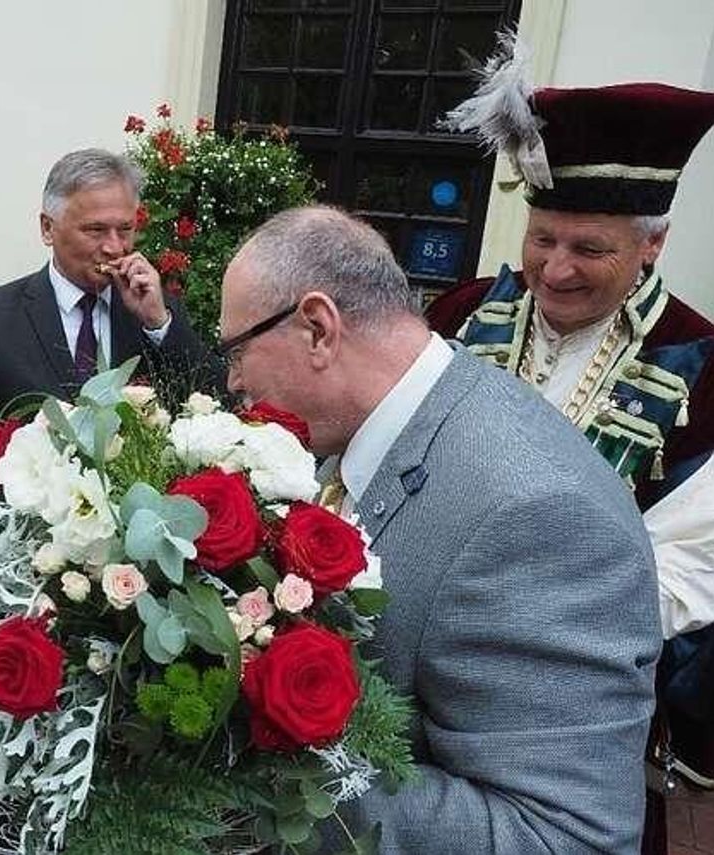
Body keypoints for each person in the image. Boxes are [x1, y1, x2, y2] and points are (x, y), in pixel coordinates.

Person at [219, 205, 660, 854]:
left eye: (235, 350)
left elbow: (561, 836)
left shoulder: (534, 516)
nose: (232, 382)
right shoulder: (390, 420)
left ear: (317, 328)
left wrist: (243, 767)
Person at [428, 40, 714, 800]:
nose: (554, 270)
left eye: (590, 248)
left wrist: (508, 625)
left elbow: (689, 568)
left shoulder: (704, 365)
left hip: (576, 709)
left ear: (654, 242)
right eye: (541, 239)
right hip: (423, 673)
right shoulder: (460, 316)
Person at [0, 147, 216, 454]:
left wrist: (159, 325)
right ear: (47, 228)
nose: (114, 247)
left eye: (125, 230)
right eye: (95, 230)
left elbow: (211, 407)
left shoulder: (156, 311)